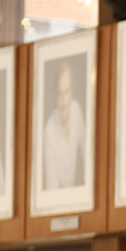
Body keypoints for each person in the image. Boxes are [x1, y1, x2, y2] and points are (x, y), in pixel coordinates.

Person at [43, 61, 85, 190]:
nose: (63, 101)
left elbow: (87, 153)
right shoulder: (48, 132)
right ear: (55, 96)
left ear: (72, 93)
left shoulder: (76, 110)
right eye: (59, 94)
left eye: (66, 92)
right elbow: (51, 184)